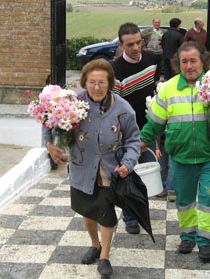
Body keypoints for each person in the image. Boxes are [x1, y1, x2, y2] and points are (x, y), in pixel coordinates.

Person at [139, 41, 210, 263]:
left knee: (209, 200)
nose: (189, 66)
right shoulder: (168, 87)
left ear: (203, 62)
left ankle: (205, 241)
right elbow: (156, 122)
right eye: (184, 61)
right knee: (185, 201)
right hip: (181, 158)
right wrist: (142, 141)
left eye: (193, 61)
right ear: (178, 64)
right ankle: (187, 237)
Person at [43, 59, 140, 277]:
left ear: (110, 84)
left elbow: (134, 140)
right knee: (87, 211)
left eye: (102, 83)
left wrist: (128, 163)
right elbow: (47, 120)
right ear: (84, 83)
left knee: (106, 213)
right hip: (81, 168)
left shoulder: (123, 109)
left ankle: (104, 255)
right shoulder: (72, 104)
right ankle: (95, 245)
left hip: (110, 170)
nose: (96, 88)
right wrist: (49, 145)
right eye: (92, 82)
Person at [112, 22, 157, 234]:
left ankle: (140, 210)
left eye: (139, 42)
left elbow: (155, 95)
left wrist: (152, 136)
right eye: (130, 44)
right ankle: (130, 216)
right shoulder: (116, 71)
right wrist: (130, 141)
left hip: (149, 128)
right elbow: (115, 110)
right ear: (121, 45)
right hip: (126, 134)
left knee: (147, 172)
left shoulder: (152, 61)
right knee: (128, 174)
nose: (136, 48)